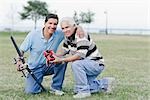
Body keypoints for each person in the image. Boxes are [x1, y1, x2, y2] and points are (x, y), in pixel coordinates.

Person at [51, 17, 115, 99]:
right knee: (78, 88)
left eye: (67, 27)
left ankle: (84, 92)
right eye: (63, 28)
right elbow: (63, 51)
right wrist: (54, 56)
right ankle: (105, 83)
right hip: (86, 64)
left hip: (95, 64)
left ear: (74, 26)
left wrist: (61, 59)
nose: (65, 30)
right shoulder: (68, 37)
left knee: (76, 64)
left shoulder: (81, 35)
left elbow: (79, 56)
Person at [16, 13, 67, 95]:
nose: (52, 26)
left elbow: (71, 30)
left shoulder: (59, 34)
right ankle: (34, 82)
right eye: (50, 23)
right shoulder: (33, 34)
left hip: (49, 65)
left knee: (62, 60)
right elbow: (21, 50)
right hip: (34, 68)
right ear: (45, 23)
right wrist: (19, 61)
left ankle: (56, 88)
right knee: (31, 92)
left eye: (55, 24)